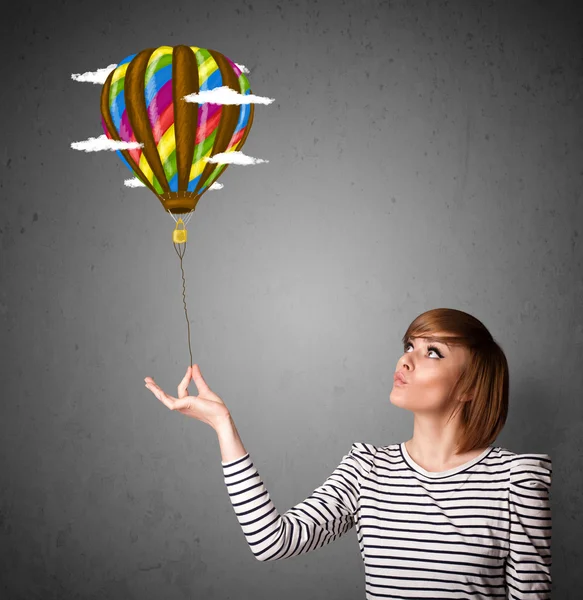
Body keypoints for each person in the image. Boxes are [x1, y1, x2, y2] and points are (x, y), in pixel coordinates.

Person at [144, 307, 552, 599]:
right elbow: (272, 541)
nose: (405, 359)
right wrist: (222, 425)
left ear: (469, 388)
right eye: (409, 345)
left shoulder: (516, 481)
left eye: (432, 352)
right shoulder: (367, 469)